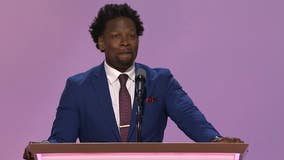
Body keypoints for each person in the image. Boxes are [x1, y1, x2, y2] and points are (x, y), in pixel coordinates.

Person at [24, 3, 243, 159]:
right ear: (101, 42)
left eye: (131, 35)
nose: (126, 42)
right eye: (117, 36)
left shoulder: (160, 81)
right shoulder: (78, 87)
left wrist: (214, 141)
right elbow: (62, 140)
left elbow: (191, 119)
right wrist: (42, 149)